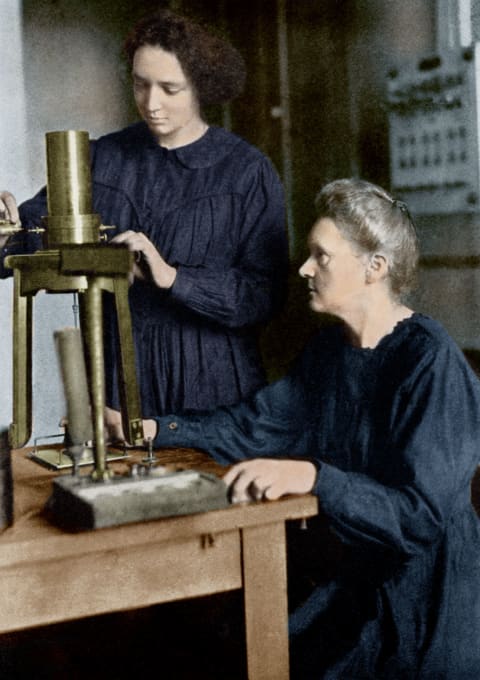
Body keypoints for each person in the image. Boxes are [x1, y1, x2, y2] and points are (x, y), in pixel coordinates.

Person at [131, 178, 480, 678]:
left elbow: (419, 517)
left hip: (431, 603)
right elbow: (253, 427)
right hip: (363, 580)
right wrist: (154, 429)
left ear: (374, 268)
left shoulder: (429, 359)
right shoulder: (329, 352)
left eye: (321, 256)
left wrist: (313, 477)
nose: (303, 269)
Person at [0, 8, 288, 419]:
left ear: (200, 86)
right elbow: (29, 236)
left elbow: (265, 295)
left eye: (170, 89)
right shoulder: (101, 159)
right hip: (119, 389)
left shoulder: (246, 171)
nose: (151, 103)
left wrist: (172, 278)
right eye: (141, 84)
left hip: (216, 391)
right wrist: (5, 233)